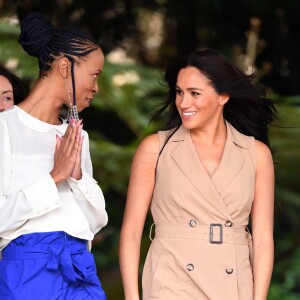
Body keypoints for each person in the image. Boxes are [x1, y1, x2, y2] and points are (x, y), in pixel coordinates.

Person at [119, 49, 277, 300]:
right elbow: (130, 233)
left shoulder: (256, 154)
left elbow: (263, 240)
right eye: (180, 92)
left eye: (195, 93)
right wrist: (131, 297)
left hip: (233, 284)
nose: (183, 103)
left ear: (223, 96)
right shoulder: (155, 149)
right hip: (171, 281)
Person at [0, 12, 108, 299]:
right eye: (94, 75)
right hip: (28, 267)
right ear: (65, 67)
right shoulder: (5, 128)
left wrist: (76, 177)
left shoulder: (77, 136)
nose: (96, 88)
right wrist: (53, 178)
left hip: (79, 262)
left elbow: (97, 220)